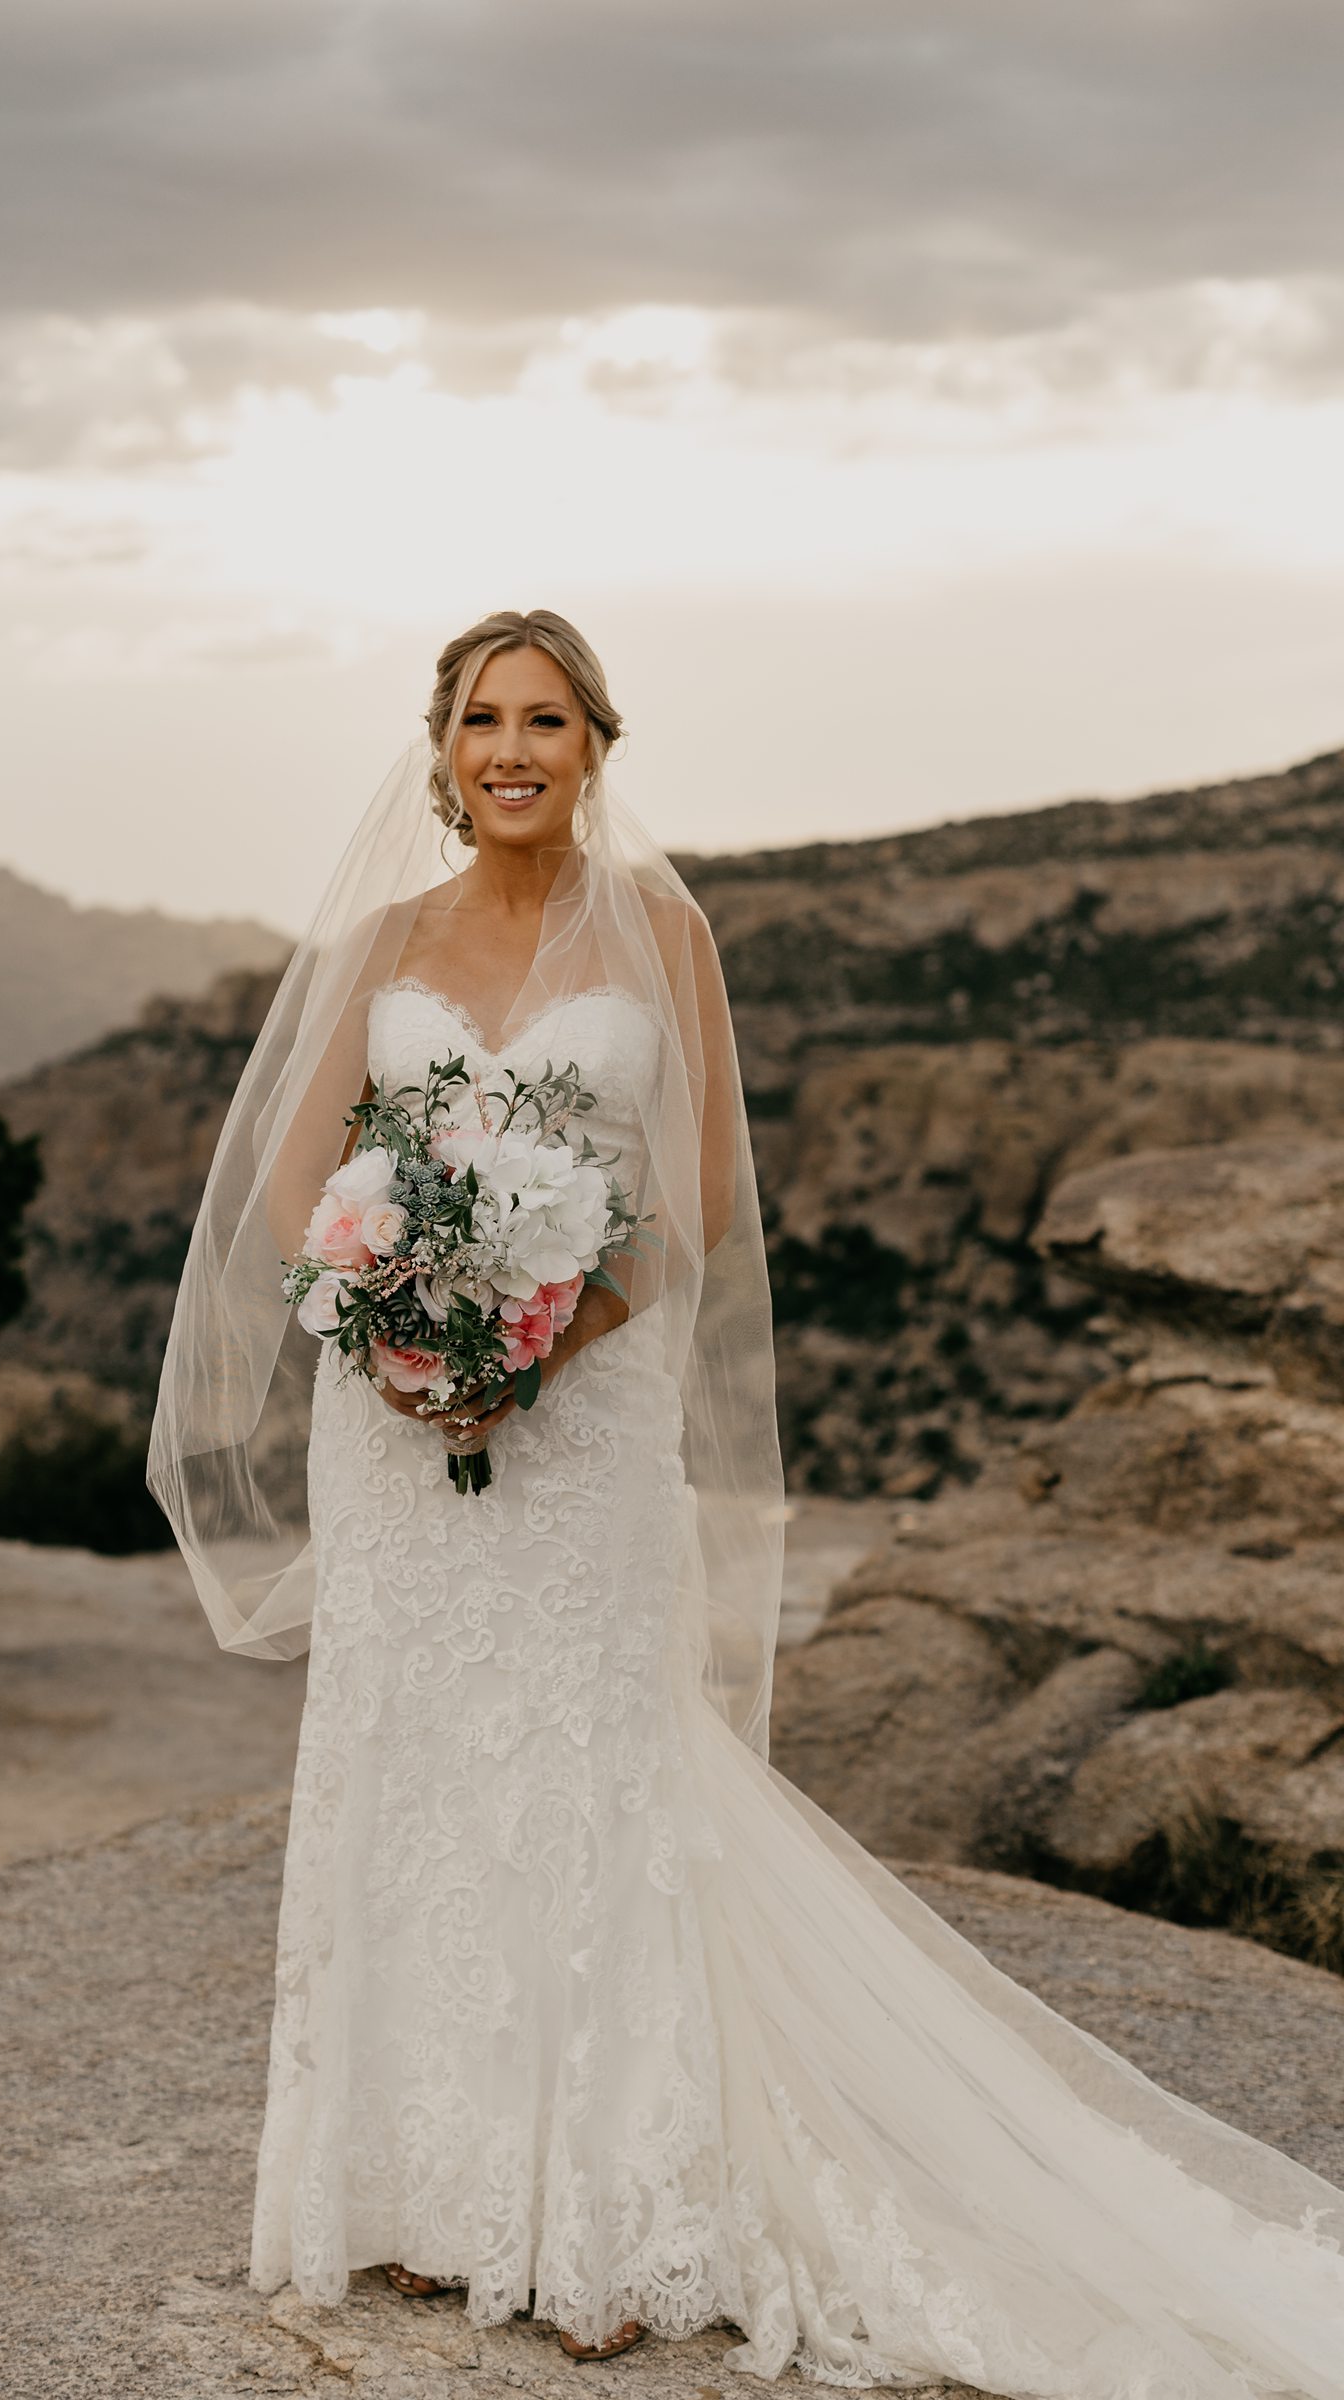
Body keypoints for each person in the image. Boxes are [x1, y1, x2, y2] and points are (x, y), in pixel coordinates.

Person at [149, 608, 1344, 2390]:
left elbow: (694, 1202)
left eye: (547, 721)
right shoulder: (383, 942)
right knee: (409, 1762)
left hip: (591, 1410)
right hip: (395, 1424)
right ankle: (418, 2192)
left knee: (590, 1772)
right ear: (442, 748)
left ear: (595, 746)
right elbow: (293, 1186)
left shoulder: (668, 936)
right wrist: (393, 1314)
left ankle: (610, 2224)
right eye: (485, 720)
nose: (514, 751)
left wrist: (542, 1338)